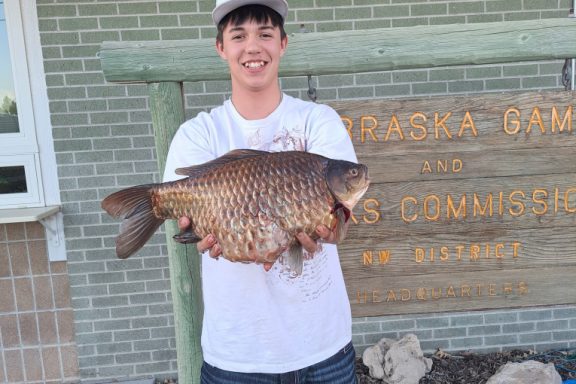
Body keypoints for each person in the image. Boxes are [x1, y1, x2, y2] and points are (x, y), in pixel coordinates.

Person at [163, 0, 358, 382]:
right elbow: (190, 224)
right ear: (221, 47)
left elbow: (340, 227)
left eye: (265, 34)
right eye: (239, 36)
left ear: (283, 43)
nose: (253, 47)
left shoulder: (319, 122)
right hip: (236, 359)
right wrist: (200, 231)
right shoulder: (198, 134)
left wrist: (331, 229)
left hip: (324, 350)